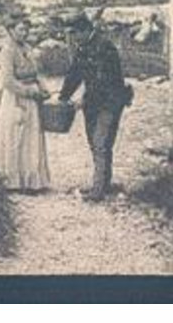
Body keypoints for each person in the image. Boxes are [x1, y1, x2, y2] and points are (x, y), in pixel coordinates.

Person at [57, 12, 134, 201]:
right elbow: (74, 74)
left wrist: (84, 100)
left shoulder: (104, 47)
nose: (72, 38)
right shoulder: (83, 47)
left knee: (100, 143)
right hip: (93, 103)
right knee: (95, 143)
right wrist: (63, 96)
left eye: (74, 33)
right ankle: (104, 183)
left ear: (85, 31)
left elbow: (104, 81)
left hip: (110, 102)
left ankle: (98, 190)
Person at [0, 12, 52, 192]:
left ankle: (31, 181)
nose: (24, 33)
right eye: (21, 29)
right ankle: (12, 181)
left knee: (31, 138)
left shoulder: (27, 48)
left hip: (32, 99)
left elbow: (36, 72)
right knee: (14, 137)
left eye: (27, 29)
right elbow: (8, 81)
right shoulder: (7, 51)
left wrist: (42, 87)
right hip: (14, 99)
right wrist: (28, 91)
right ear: (10, 30)